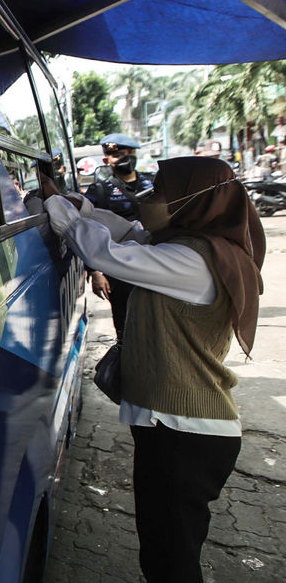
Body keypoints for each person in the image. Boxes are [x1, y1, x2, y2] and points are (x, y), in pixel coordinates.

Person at [41, 156, 265, 583]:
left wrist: (61, 210)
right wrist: (78, 205)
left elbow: (105, 251)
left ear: (189, 201)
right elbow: (128, 234)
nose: (147, 197)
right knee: (163, 551)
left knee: (171, 561)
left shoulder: (194, 262)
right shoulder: (189, 244)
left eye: (159, 190)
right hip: (176, 429)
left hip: (185, 434)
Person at [83, 133, 154, 344]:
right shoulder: (100, 191)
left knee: (158, 324)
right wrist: (95, 272)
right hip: (119, 270)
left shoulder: (154, 183)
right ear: (107, 160)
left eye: (129, 154)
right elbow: (88, 231)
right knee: (125, 328)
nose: (125, 159)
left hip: (156, 265)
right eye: (118, 155)